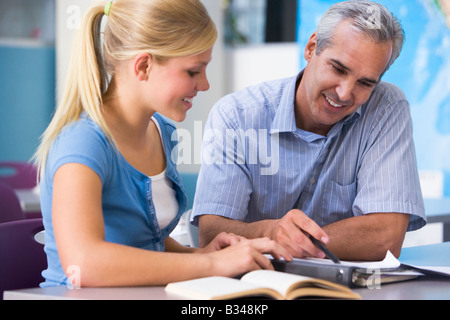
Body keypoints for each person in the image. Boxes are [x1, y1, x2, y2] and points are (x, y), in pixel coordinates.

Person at [33, 0, 291, 288]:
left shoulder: (161, 132)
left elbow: (141, 241)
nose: (204, 84)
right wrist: (209, 264)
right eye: (194, 71)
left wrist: (200, 254)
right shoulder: (83, 142)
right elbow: (83, 264)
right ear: (143, 66)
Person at [192, 0, 427, 261]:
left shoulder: (385, 107)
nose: (344, 93)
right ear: (311, 47)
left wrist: (289, 241)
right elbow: (212, 234)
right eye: (338, 68)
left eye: (365, 82)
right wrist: (272, 231)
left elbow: (385, 237)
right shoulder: (236, 115)